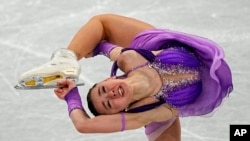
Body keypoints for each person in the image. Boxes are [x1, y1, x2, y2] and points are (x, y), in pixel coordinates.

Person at [18, 14, 233, 141]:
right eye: (110, 103)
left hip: (170, 47)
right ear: (123, 110)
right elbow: (83, 125)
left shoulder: (129, 59)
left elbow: (102, 37)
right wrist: (71, 96)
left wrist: (85, 53)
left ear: (110, 79)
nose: (110, 94)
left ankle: (66, 59)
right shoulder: (150, 113)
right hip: (198, 94)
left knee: (102, 22)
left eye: (104, 90)